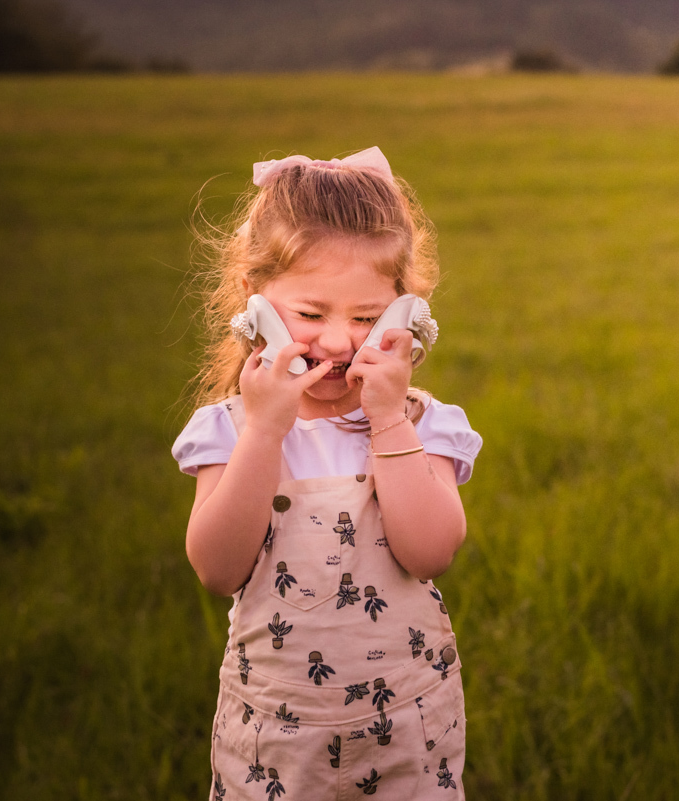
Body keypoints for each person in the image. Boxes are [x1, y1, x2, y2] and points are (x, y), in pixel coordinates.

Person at [172, 147, 481, 799]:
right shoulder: (232, 430)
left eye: (367, 317)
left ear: (407, 314)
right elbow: (216, 567)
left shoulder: (425, 425)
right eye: (311, 315)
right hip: (273, 746)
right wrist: (264, 432)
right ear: (254, 306)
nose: (340, 341)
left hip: (405, 734)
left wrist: (389, 420)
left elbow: (430, 551)